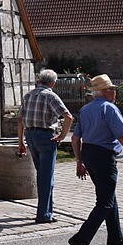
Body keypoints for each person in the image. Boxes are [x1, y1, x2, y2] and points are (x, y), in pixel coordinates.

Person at [68, 74, 123, 245]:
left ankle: (115, 237)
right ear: (104, 92)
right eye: (112, 89)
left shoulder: (86, 109)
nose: (114, 92)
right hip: (104, 156)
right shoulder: (109, 108)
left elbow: (75, 138)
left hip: (89, 153)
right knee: (104, 203)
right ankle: (82, 238)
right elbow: (122, 136)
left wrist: (79, 161)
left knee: (108, 196)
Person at [16, 68, 74, 223]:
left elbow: (20, 119)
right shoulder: (51, 96)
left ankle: (48, 210)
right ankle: (43, 214)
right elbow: (68, 117)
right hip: (46, 136)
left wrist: (20, 141)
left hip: (31, 135)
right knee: (46, 177)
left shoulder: (28, 95)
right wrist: (62, 135)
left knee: (43, 174)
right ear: (53, 83)